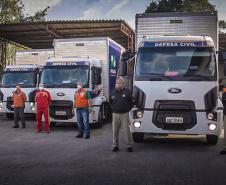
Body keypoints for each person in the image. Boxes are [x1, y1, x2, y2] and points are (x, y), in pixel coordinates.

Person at [109, 79, 134, 152]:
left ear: (123, 84)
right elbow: (110, 102)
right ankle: (115, 145)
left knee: (126, 130)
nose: (118, 84)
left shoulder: (127, 92)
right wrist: (113, 108)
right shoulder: (112, 92)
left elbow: (132, 102)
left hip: (124, 114)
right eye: (117, 83)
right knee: (115, 131)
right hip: (115, 114)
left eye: (120, 83)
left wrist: (128, 109)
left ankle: (129, 146)